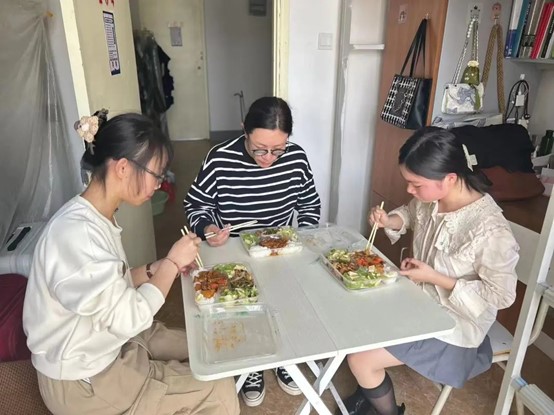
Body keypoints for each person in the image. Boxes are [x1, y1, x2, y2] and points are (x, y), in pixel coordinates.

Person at [22, 111, 239, 415]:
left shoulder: (95, 216)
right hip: (84, 379)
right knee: (218, 386)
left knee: (208, 343)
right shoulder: (77, 234)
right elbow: (128, 318)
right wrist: (171, 264)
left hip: (106, 343)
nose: (159, 185)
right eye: (156, 175)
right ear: (123, 167)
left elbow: (111, 286)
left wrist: (154, 269)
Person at [339, 127, 519, 415]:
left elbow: (502, 296)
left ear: (450, 178)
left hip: (454, 327)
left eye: (416, 184)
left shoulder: (490, 229)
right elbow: (409, 214)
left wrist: (435, 278)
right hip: (417, 303)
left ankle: (387, 410)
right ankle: (368, 392)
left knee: (360, 358)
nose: (410, 190)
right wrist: (389, 221)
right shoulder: (432, 199)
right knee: (354, 314)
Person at [185, 96, 321, 406]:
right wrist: (208, 228)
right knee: (243, 308)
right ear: (244, 131)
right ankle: (253, 365)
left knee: (283, 304)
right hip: (232, 250)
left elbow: (309, 204)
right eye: (259, 148)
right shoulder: (219, 158)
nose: (268, 158)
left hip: (278, 249)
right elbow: (195, 204)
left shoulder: (296, 158)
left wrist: (302, 236)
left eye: (278, 149)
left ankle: (285, 357)